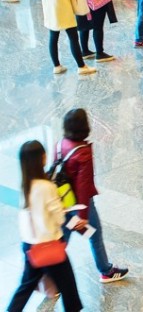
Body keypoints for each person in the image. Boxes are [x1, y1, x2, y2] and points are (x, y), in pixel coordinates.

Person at [6, 140, 84, 312]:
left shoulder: (25, 187)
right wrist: (65, 212)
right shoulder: (46, 187)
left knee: (26, 286)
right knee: (69, 287)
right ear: (41, 158)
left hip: (29, 245)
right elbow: (59, 218)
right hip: (50, 245)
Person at [56, 109, 129, 283]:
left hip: (62, 201)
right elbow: (83, 185)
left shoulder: (60, 145)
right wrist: (82, 216)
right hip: (79, 206)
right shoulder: (83, 152)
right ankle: (106, 270)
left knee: (63, 236)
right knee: (94, 235)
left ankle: (51, 273)